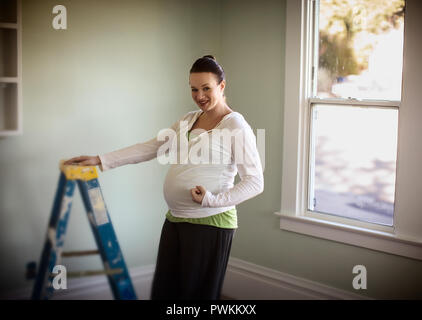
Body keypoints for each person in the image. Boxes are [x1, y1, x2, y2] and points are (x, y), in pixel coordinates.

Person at [64, 55, 264, 300]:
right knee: (164, 292)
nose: (199, 95)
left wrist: (212, 199)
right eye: (193, 89)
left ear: (222, 86)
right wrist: (100, 159)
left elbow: (255, 182)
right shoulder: (188, 120)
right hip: (176, 219)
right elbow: (150, 147)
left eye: (206, 88)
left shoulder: (235, 126)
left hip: (211, 222)